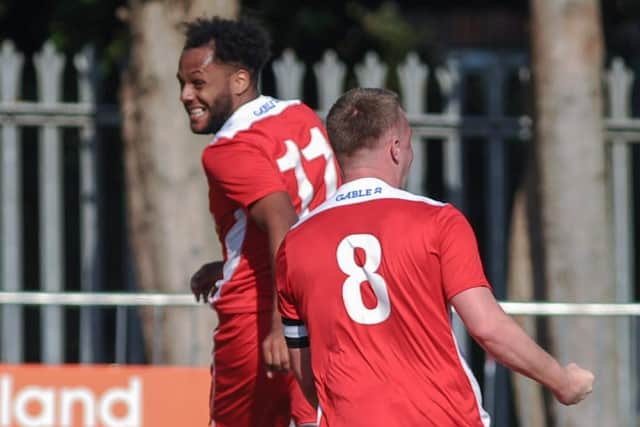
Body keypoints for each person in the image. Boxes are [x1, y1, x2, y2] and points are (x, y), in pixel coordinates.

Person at [275, 88, 594, 427]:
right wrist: (562, 381)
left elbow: (304, 372)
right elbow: (487, 328)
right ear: (396, 149)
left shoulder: (294, 244)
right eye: (409, 142)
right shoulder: (437, 221)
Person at [177, 16, 340, 427]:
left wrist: (279, 325)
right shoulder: (299, 116)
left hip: (258, 320)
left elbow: (283, 220)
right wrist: (232, 261)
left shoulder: (229, 148)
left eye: (198, 83)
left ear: (239, 80)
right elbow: (308, 212)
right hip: (324, 307)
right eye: (182, 82)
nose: (185, 95)